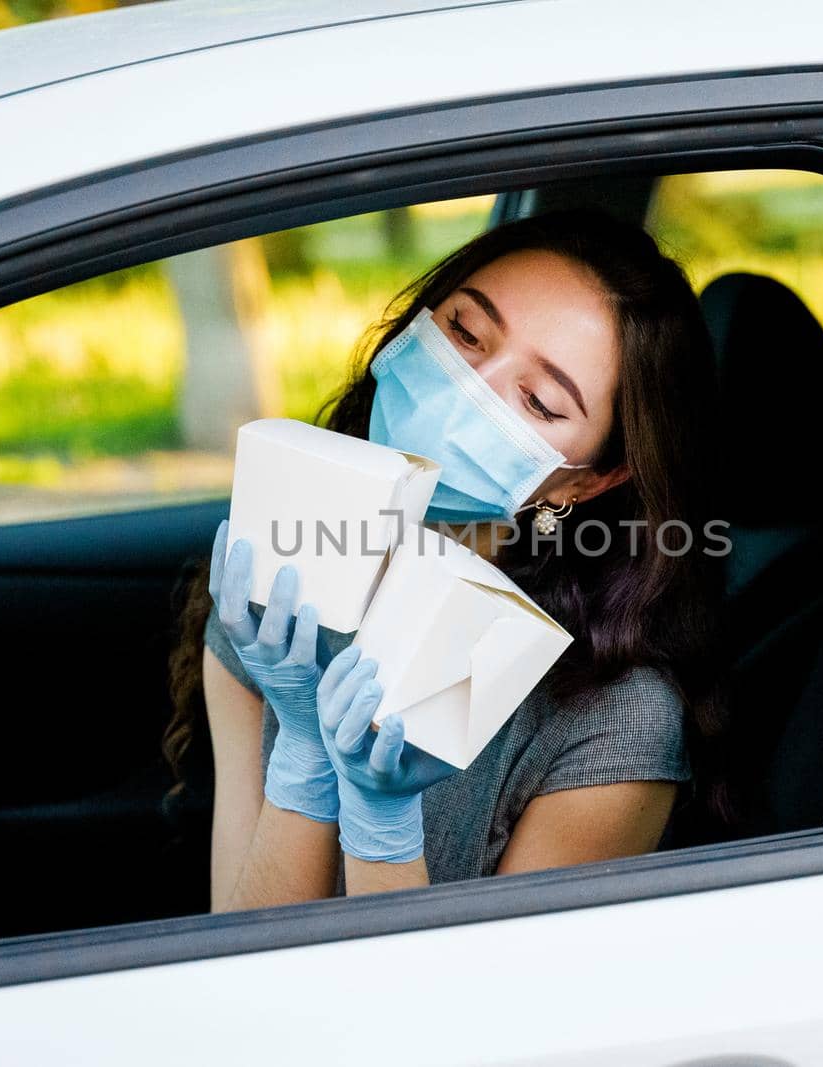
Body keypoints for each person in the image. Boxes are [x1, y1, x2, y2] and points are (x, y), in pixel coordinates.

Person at [161, 207, 733, 910]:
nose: (470, 389)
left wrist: (383, 829)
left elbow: (465, 1015)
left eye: (538, 399)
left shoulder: (615, 717)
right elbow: (242, 948)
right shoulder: (279, 584)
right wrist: (303, 758)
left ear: (585, 481)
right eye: (464, 331)